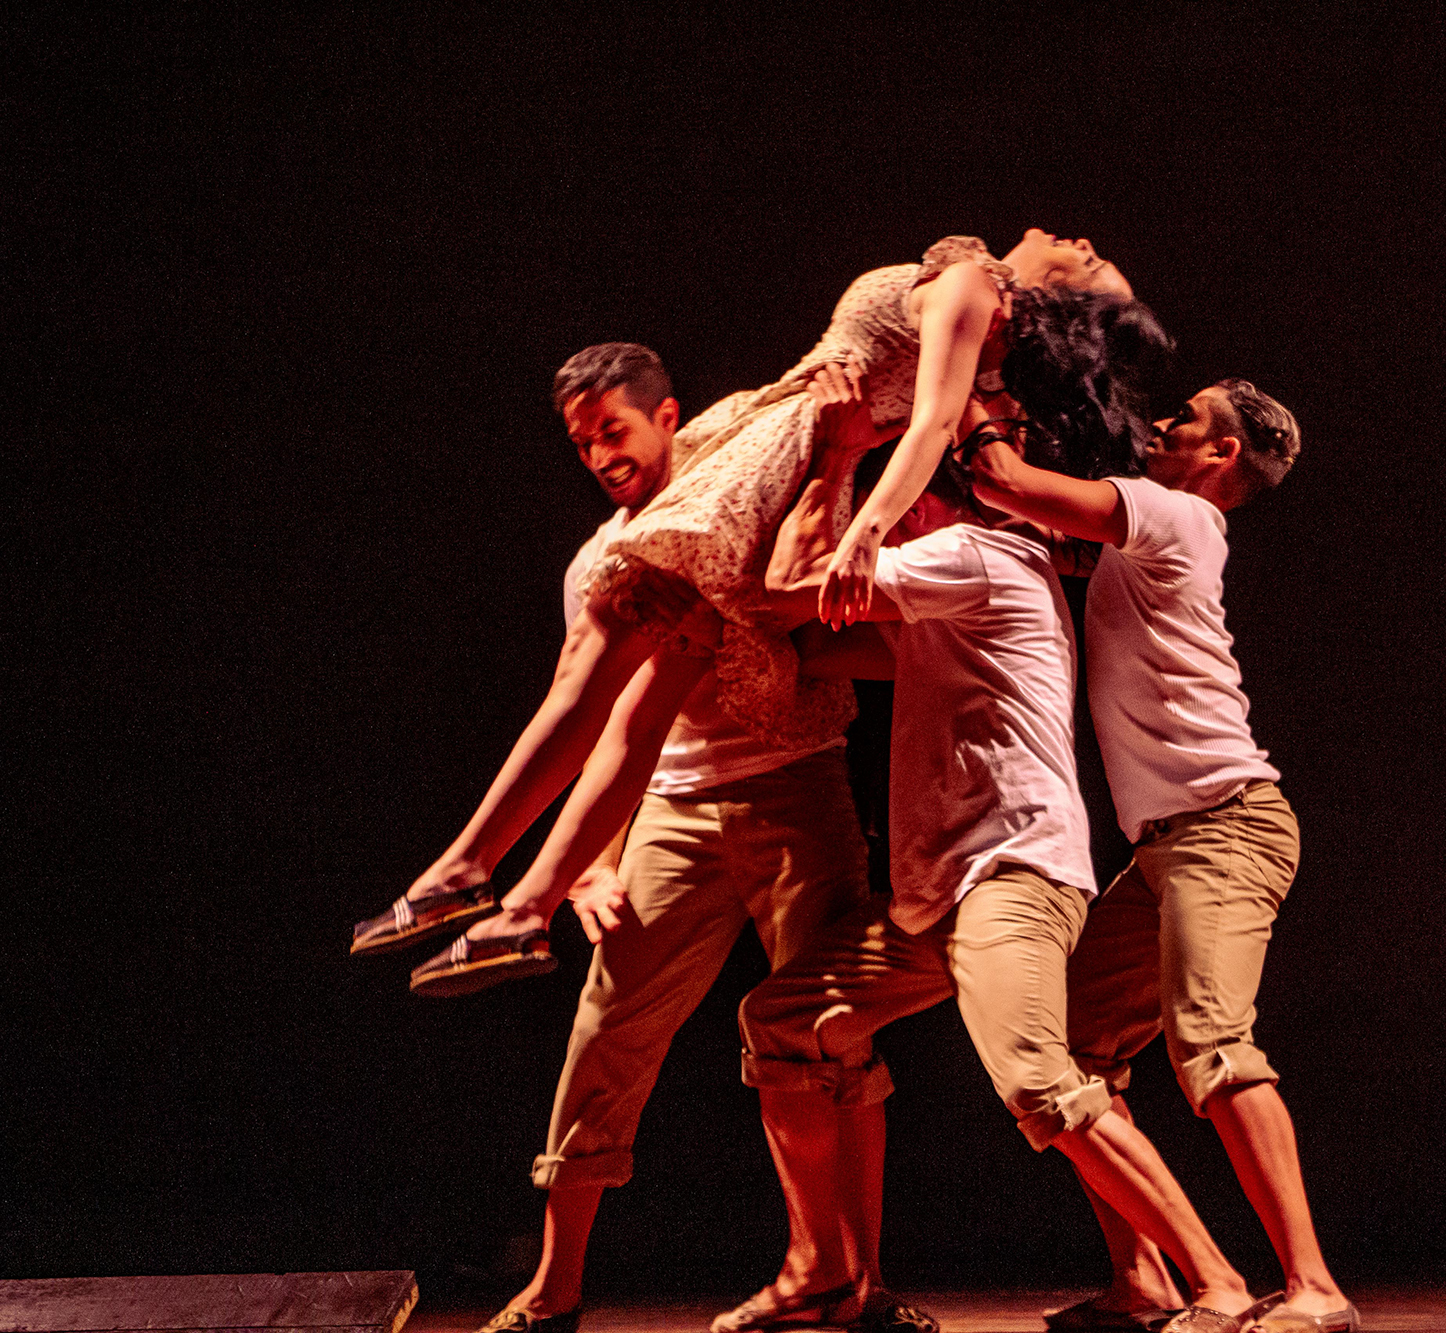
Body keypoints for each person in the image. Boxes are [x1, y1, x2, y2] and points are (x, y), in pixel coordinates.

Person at [353, 234, 1156, 995]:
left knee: (601, 646)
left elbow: (932, 426)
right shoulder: (977, 319)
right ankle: (522, 904)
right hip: (771, 443)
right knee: (654, 678)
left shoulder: (974, 286)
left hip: (777, 458)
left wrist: (867, 532)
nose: (1078, 239)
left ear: (1052, 290)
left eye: (1089, 257)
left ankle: (470, 868)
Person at [359, 345, 925, 1333]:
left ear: (668, 416)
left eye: (612, 431)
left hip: (798, 784)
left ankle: (855, 1285)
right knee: (607, 1035)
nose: (598, 455)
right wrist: (594, 865)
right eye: (580, 442)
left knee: (832, 1035)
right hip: (670, 807)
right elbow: (604, 727)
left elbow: (814, 583)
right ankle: (553, 1285)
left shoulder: (746, 490)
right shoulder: (600, 561)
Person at [716, 419, 1268, 1333]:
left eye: (896, 511)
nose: (881, 529)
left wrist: (836, 465)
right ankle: (828, 1279)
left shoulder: (976, 554)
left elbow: (787, 597)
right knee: (785, 1019)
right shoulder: (960, 592)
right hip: (941, 892)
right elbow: (818, 649)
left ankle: (1220, 1281)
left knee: (1039, 1083)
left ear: (933, 500)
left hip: (1009, 876)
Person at [969, 382, 1358, 1333]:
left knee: (1214, 1045)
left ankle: (1314, 1287)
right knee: (1080, 1045)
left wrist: (976, 396)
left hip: (1226, 825)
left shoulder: (1177, 513)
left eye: (1184, 418)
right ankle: (1145, 1278)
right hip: (1167, 848)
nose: (1161, 427)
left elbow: (1005, 481)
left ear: (1220, 454)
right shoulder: (1147, 531)